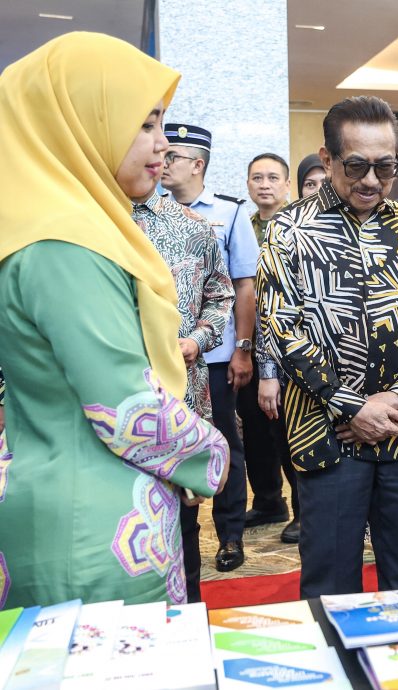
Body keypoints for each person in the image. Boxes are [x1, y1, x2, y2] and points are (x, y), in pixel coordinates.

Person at [0, 32, 228, 607]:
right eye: (144, 123)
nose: (162, 144)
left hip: (71, 499)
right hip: (94, 529)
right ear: (79, 122)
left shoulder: (54, 227)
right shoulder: (68, 245)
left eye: (162, 125)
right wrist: (214, 455)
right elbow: (126, 408)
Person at [257, 95, 398, 596]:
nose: (372, 180)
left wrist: (396, 399)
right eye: (357, 166)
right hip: (326, 435)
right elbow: (283, 330)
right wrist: (351, 407)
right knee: (329, 581)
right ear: (327, 160)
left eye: (385, 167)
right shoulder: (289, 229)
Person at [131, 158, 235, 603]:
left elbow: (220, 294)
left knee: (182, 517)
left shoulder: (192, 226)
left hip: (178, 396)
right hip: (109, 400)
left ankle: (188, 616)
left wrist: (197, 340)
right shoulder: (86, 220)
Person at [161, 122, 260, 572]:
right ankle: (181, 538)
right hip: (166, 361)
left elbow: (242, 286)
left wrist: (242, 348)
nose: (163, 163)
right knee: (171, 447)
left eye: (173, 157)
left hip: (215, 358)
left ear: (197, 164)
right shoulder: (149, 213)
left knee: (224, 445)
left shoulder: (230, 213)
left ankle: (230, 535)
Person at [242, 152, 299, 543]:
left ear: (286, 185)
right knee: (255, 431)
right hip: (248, 343)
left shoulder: (298, 228)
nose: (264, 184)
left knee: (289, 432)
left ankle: (302, 509)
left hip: (289, 347)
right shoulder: (242, 229)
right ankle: (267, 501)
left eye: (272, 177)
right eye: (257, 177)